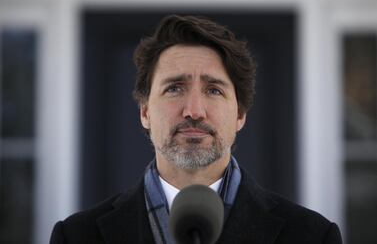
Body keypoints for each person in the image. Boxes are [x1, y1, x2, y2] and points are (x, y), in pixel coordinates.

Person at [50, 15, 342, 244]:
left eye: (213, 90)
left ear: (240, 114)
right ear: (145, 112)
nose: (194, 110)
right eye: (175, 88)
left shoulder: (313, 237)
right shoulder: (76, 237)